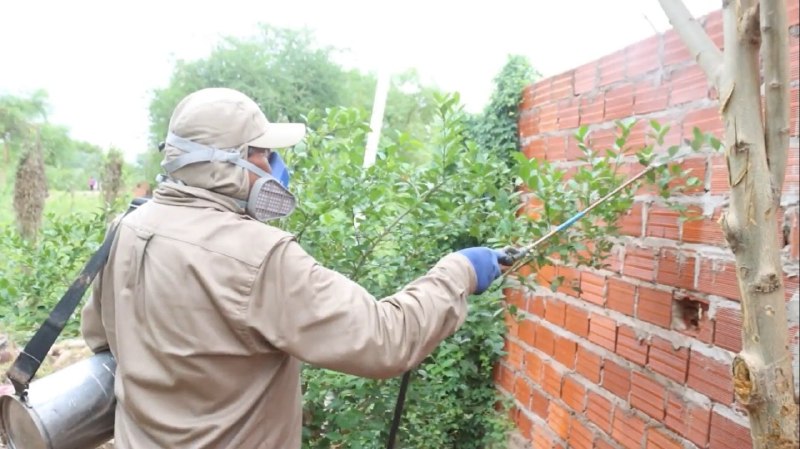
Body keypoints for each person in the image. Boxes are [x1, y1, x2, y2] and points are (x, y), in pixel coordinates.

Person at [80, 87, 506, 449]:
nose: (275, 168)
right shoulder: (259, 255)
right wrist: (459, 272)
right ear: (226, 164)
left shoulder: (126, 228)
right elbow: (384, 340)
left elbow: (99, 337)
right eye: (264, 154)